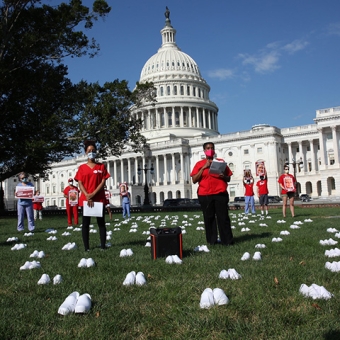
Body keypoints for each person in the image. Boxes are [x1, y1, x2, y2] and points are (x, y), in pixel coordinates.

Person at [190, 142, 234, 246]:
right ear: (204, 151)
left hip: (220, 193)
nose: (210, 149)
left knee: (223, 217)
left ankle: (227, 241)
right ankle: (212, 241)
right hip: (205, 194)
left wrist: (223, 176)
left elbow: (228, 178)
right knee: (208, 218)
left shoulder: (221, 162)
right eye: (208, 148)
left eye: (212, 148)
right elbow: (194, 180)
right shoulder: (199, 164)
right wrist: (204, 167)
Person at [74, 140, 111, 251]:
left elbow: (103, 182)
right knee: (86, 223)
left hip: (99, 198)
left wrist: (93, 194)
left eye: (93, 150)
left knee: (101, 223)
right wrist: (87, 195)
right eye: (89, 150)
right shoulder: (82, 168)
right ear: (85, 152)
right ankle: (86, 248)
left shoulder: (101, 167)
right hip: (85, 199)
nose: (91, 152)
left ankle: (103, 246)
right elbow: (80, 183)